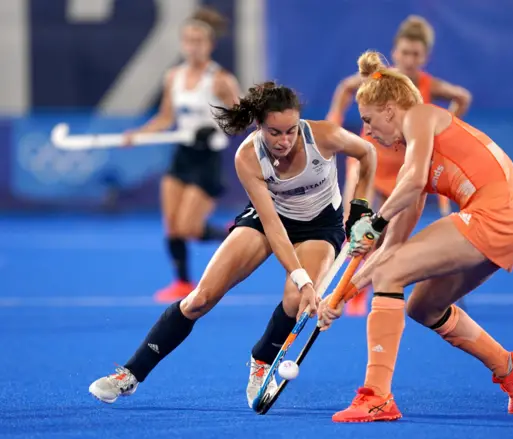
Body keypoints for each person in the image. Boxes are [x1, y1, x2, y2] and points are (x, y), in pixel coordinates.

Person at [88, 81, 377, 409]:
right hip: (269, 220)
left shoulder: (324, 136)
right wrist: (304, 278)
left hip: (320, 226)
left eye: (291, 131)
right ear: (259, 126)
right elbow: (273, 227)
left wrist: (360, 208)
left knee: (297, 301)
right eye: (274, 132)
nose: (284, 141)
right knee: (200, 299)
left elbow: (367, 153)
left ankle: (262, 362)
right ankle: (130, 374)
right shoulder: (248, 157)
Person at [319, 51, 513, 423]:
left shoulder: (421, 115)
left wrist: (373, 221)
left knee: (391, 277)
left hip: (496, 214)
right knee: (422, 306)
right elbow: (392, 251)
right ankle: (509, 367)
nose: (367, 131)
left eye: (369, 120)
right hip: (510, 223)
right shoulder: (415, 161)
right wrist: (344, 294)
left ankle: (377, 396)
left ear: (389, 109)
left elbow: (413, 185)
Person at [326, 15, 472, 315]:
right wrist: (334, 127)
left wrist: (445, 131)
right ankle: (348, 288)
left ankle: (358, 287)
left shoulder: (428, 85)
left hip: (404, 169)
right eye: (404, 52)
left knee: (382, 238)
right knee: (353, 228)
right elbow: (344, 88)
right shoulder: (379, 79)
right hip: (370, 163)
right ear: (394, 52)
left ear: (425, 57)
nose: (409, 59)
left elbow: (462, 97)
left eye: (416, 54)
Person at [123, 7, 242, 303]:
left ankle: (233, 234)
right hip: (182, 155)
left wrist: (214, 128)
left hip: (207, 158)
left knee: (189, 227)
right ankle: (182, 282)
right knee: (172, 224)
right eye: (188, 40)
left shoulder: (220, 80)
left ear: (209, 45)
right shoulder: (173, 77)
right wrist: (137, 136)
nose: (192, 46)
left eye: (198, 40)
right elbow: (165, 119)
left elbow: (242, 119)